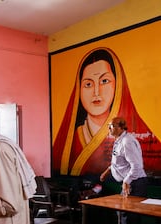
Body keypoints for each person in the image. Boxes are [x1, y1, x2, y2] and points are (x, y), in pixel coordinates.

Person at [53, 47, 161, 177]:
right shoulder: (68, 141)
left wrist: (126, 181)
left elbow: (136, 166)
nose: (96, 92)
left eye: (104, 81)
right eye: (88, 84)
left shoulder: (131, 140)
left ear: (118, 85)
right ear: (79, 91)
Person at [100, 117, 148, 224]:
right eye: (109, 125)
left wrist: (126, 181)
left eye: (112, 126)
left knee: (127, 215)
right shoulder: (120, 140)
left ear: (121, 127)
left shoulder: (127, 142)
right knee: (124, 214)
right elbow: (119, 162)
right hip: (130, 182)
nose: (109, 128)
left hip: (135, 183)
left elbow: (136, 166)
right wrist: (107, 171)